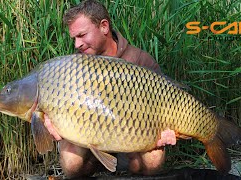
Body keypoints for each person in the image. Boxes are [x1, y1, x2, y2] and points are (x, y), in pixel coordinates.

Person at [44, 0, 177, 178]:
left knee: (153, 160)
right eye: (74, 38)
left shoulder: (140, 60)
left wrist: (167, 130)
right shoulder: (72, 69)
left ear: (104, 27)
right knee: (71, 162)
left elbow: (167, 104)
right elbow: (52, 101)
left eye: (82, 35)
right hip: (89, 141)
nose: (77, 44)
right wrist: (48, 118)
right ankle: (95, 170)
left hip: (131, 141)